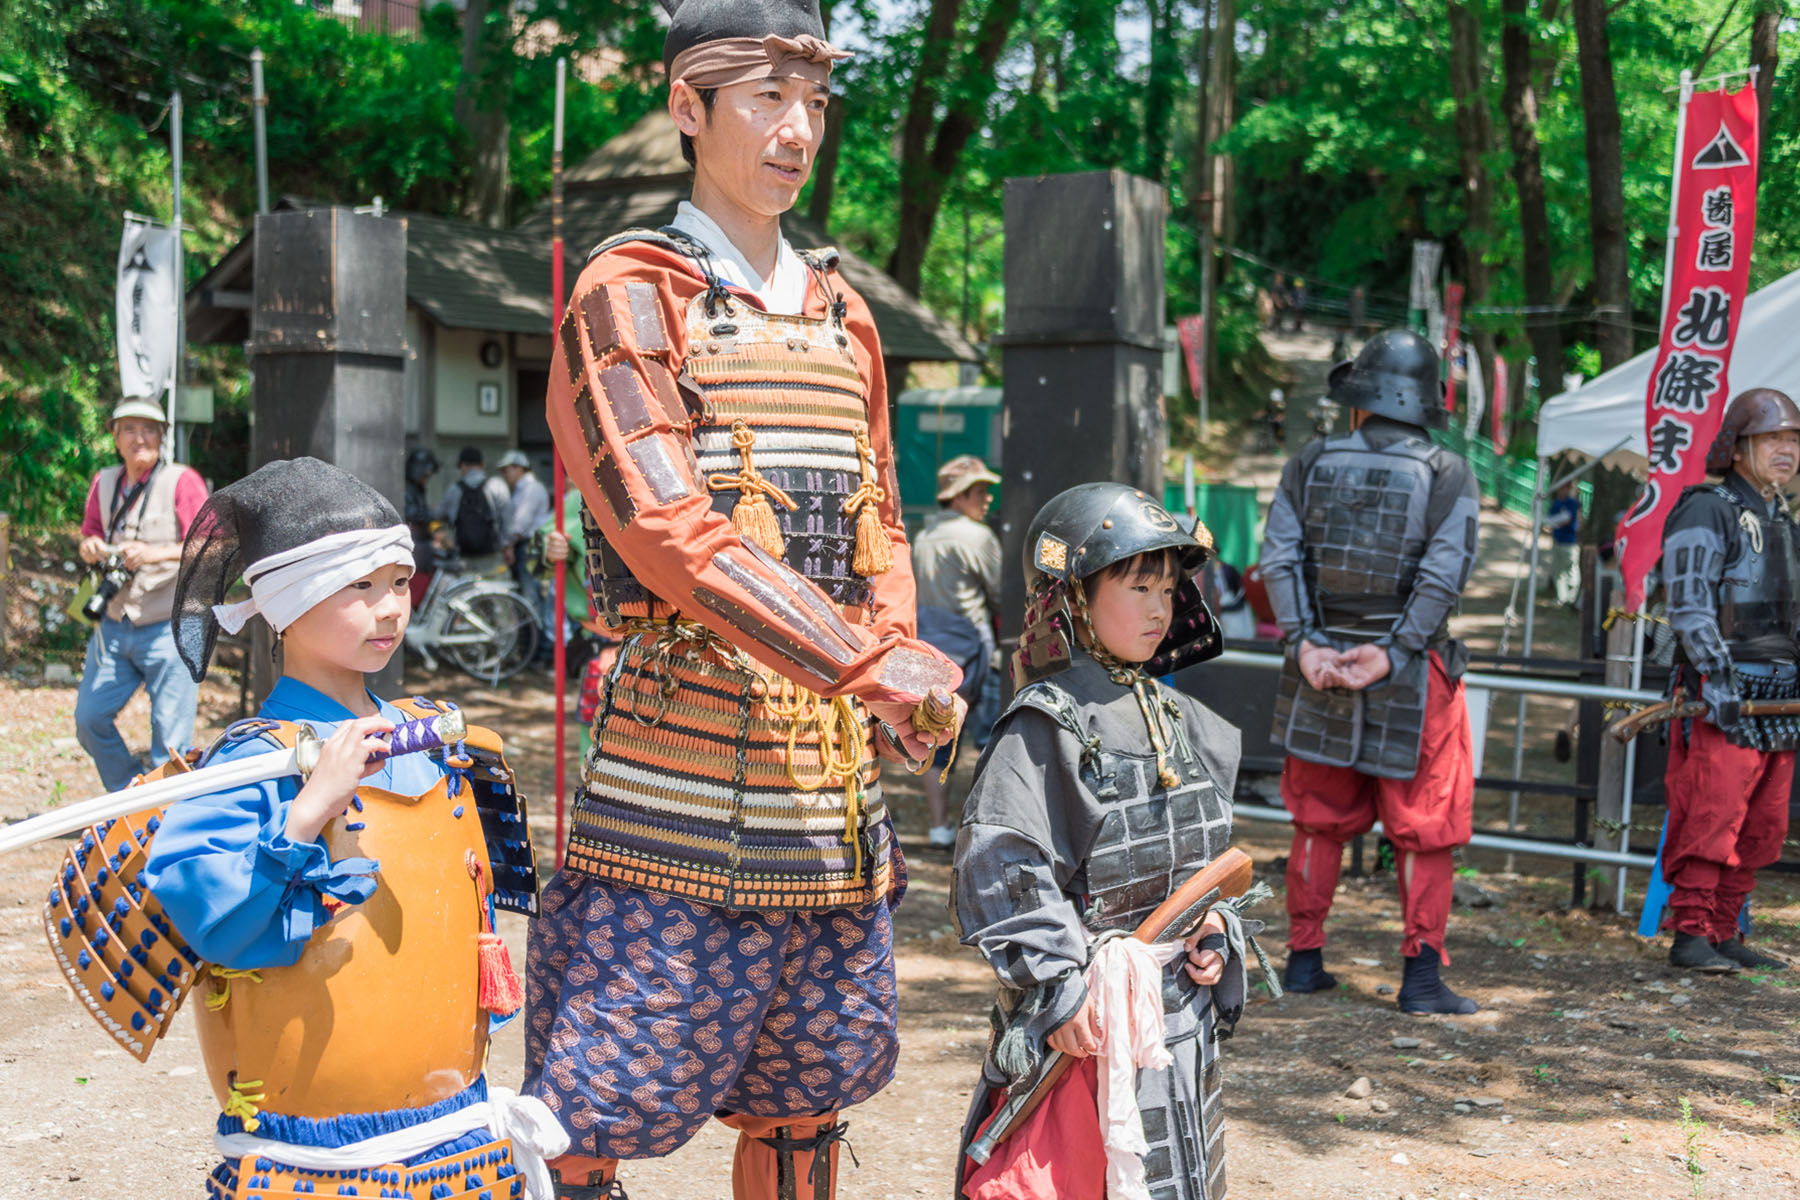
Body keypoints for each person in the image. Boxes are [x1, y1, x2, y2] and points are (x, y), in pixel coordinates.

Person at [525, 2, 966, 1195]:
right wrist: (866, 664)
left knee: (808, 1102)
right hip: (675, 763)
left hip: (826, 790)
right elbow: (668, 528)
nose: (796, 130)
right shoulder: (628, 292)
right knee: (590, 1114)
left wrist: (898, 663)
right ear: (688, 109)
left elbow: (879, 513)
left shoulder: (845, 312)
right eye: (765, 98)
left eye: (814, 102)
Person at [132, 456, 560, 1197]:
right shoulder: (252, 764)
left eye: (398, 582)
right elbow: (211, 921)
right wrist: (305, 813)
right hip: (314, 1161)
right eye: (358, 588)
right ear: (285, 606)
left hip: (457, 1142)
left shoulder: (438, 742)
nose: (391, 608)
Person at [951, 483, 1247, 1200]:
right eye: (1138, 585)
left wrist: (1214, 927)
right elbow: (1007, 865)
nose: (1159, 607)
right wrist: (1059, 986)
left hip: (1175, 1021)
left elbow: (1204, 863)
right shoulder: (1047, 723)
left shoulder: (1183, 718)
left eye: (1170, 589)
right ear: (1074, 598)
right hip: (1084, 1028)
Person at [1258, 328, 1482, 1014]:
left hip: (1319, 661)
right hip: (1411, 668)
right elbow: (1446, 573)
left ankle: (1303, 962)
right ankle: (1420, 978)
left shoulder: (1309, 460)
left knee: (1316, 820)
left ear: (1360, 394)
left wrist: (1304, 642)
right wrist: (1396, 649)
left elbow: (1278, 558)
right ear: (1425, 398)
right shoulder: (1447, 471)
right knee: (1425, 823)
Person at [1658, 387, 1800, 973]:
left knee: (1764, 823)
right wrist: (1717, 677)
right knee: (1713, 812)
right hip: (1725, 688)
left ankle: (1723, 930)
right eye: (1773, 439)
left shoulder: (1784, 517)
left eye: (1793, 440)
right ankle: (1691, 934)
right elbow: (1689, 604)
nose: (1786, 450)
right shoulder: (1706, 506)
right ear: (1738, 447)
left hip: (1781, 695)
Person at [73, 396, 210, 791]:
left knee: (170, 742)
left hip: (169, 623)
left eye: (149, 429)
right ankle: (130, 798)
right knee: (89, 720)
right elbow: (89, 535)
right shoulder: (105, 481)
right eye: (130, 429)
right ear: (115, 437)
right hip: (116, 623)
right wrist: (91, 547)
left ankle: (164, 822)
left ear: (162, 437)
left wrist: (154, 554)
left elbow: (211, 545)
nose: (140, 438)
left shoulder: (182, 481)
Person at [912, 454, 1004, 848]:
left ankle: (938, 826)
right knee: (988, 740)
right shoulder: (977, 536)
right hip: (972, 649)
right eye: (981, 492)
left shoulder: (923, 537)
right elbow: (1000, 594)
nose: (987, 501)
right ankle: (984, 828)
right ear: (961, 496)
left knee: (935, 736)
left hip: (928, 647)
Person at [442, 446, 513, 572]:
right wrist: (507, 546)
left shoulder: (454, 489)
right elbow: (507, 520)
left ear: (463, 466)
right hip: (492, 555)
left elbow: (441, 514)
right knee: (492, 589)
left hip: (464, 557)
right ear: (483, 465)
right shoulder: (497, 485)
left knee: (466, 590)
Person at [500, 449, 552, 621]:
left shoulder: (531, 489)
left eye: (506, 470)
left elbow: (520, 524)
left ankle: (538, 641)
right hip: (524, 545)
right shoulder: (521, 489)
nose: (504, 474)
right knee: (528, 595)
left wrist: (509, 544)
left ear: (519, 468)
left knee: (531, 595)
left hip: (528, 545)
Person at [404, 444, 440, 608]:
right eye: (426, 475)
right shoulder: (407, 488)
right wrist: (431, 514)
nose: (427, 478)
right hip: (415, 546)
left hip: (420, 543)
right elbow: (410, 512)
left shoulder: (418, 488)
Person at [1543, 483, 1581, 608]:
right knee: (1558, 571)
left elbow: (1567, 519)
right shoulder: (1557, 503)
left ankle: (1572, 598)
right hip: (1557, 540)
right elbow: (1549, 520)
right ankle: (1562, 598)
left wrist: (1555, 521)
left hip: (1569, 542)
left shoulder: (1572, 503)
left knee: (1572, 570)